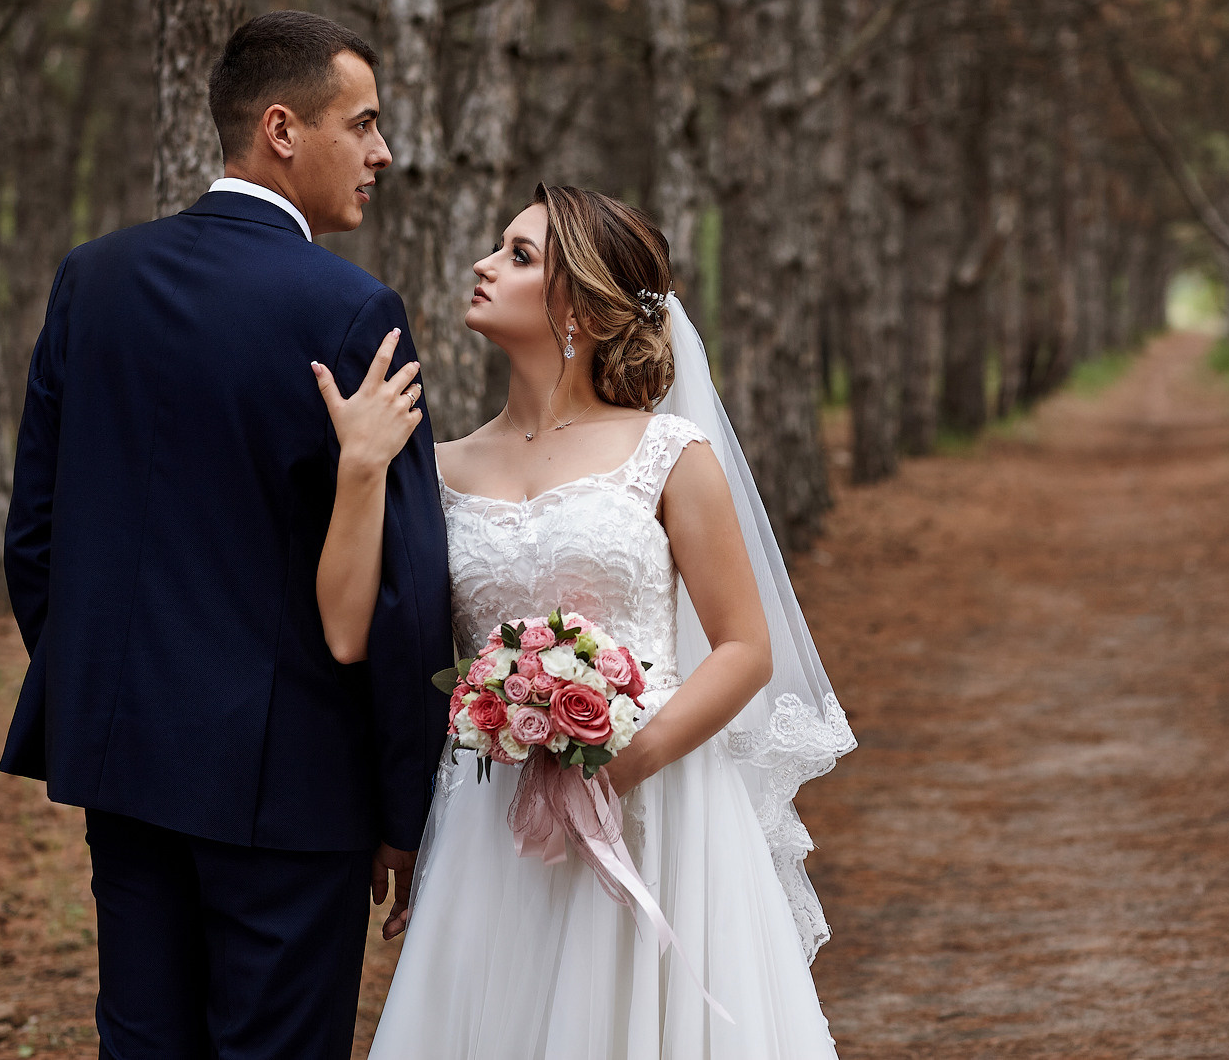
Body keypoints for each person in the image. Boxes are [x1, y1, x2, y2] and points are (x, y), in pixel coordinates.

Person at [0, 11, 449, 1059]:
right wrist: (402, 804)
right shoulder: (351, 311)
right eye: (365, 122)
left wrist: (105, 694)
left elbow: (34, 536)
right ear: (282, 130)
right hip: (292, 786)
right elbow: (406, 588)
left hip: (122, 761)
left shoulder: (92, 279)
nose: (382, 152)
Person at [319, 183, 856, 1058]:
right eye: (499, 248)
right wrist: (358, 472)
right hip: (492, 817)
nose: (485, 265)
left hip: (654, 805)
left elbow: (745, 648)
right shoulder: (438, 466)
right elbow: (347, 629)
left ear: (582, 307)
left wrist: (617, 766)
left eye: (520, 255)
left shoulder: (667, 453)